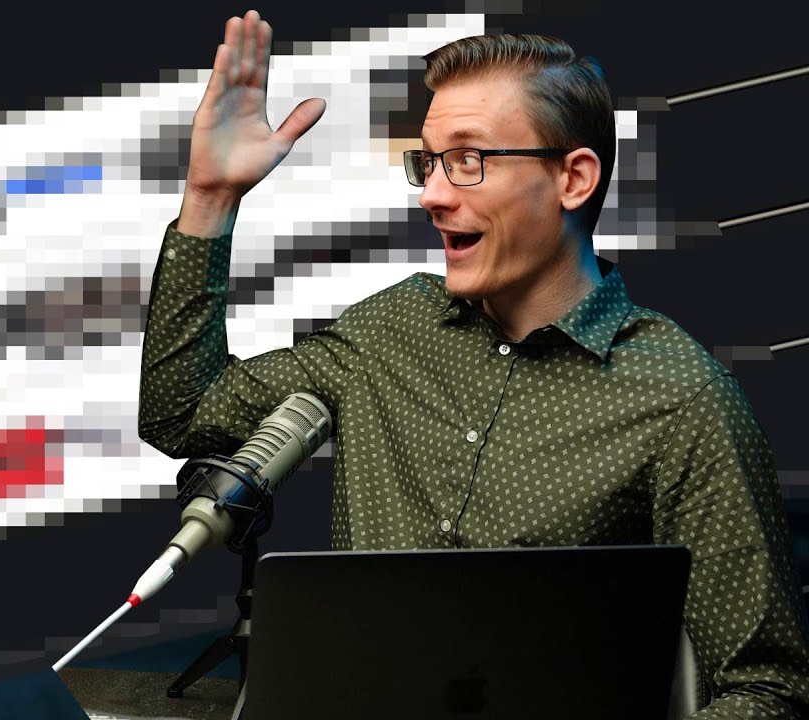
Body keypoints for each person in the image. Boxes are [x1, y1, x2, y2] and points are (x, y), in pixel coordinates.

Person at [137, 10, 809, 718]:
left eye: (468, 160)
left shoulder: (681, 399)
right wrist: (210, 199)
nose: (431, 194)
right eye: (428, 163)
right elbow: (183, 413)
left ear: (574, 178)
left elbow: (767, 691)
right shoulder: (391, 329)